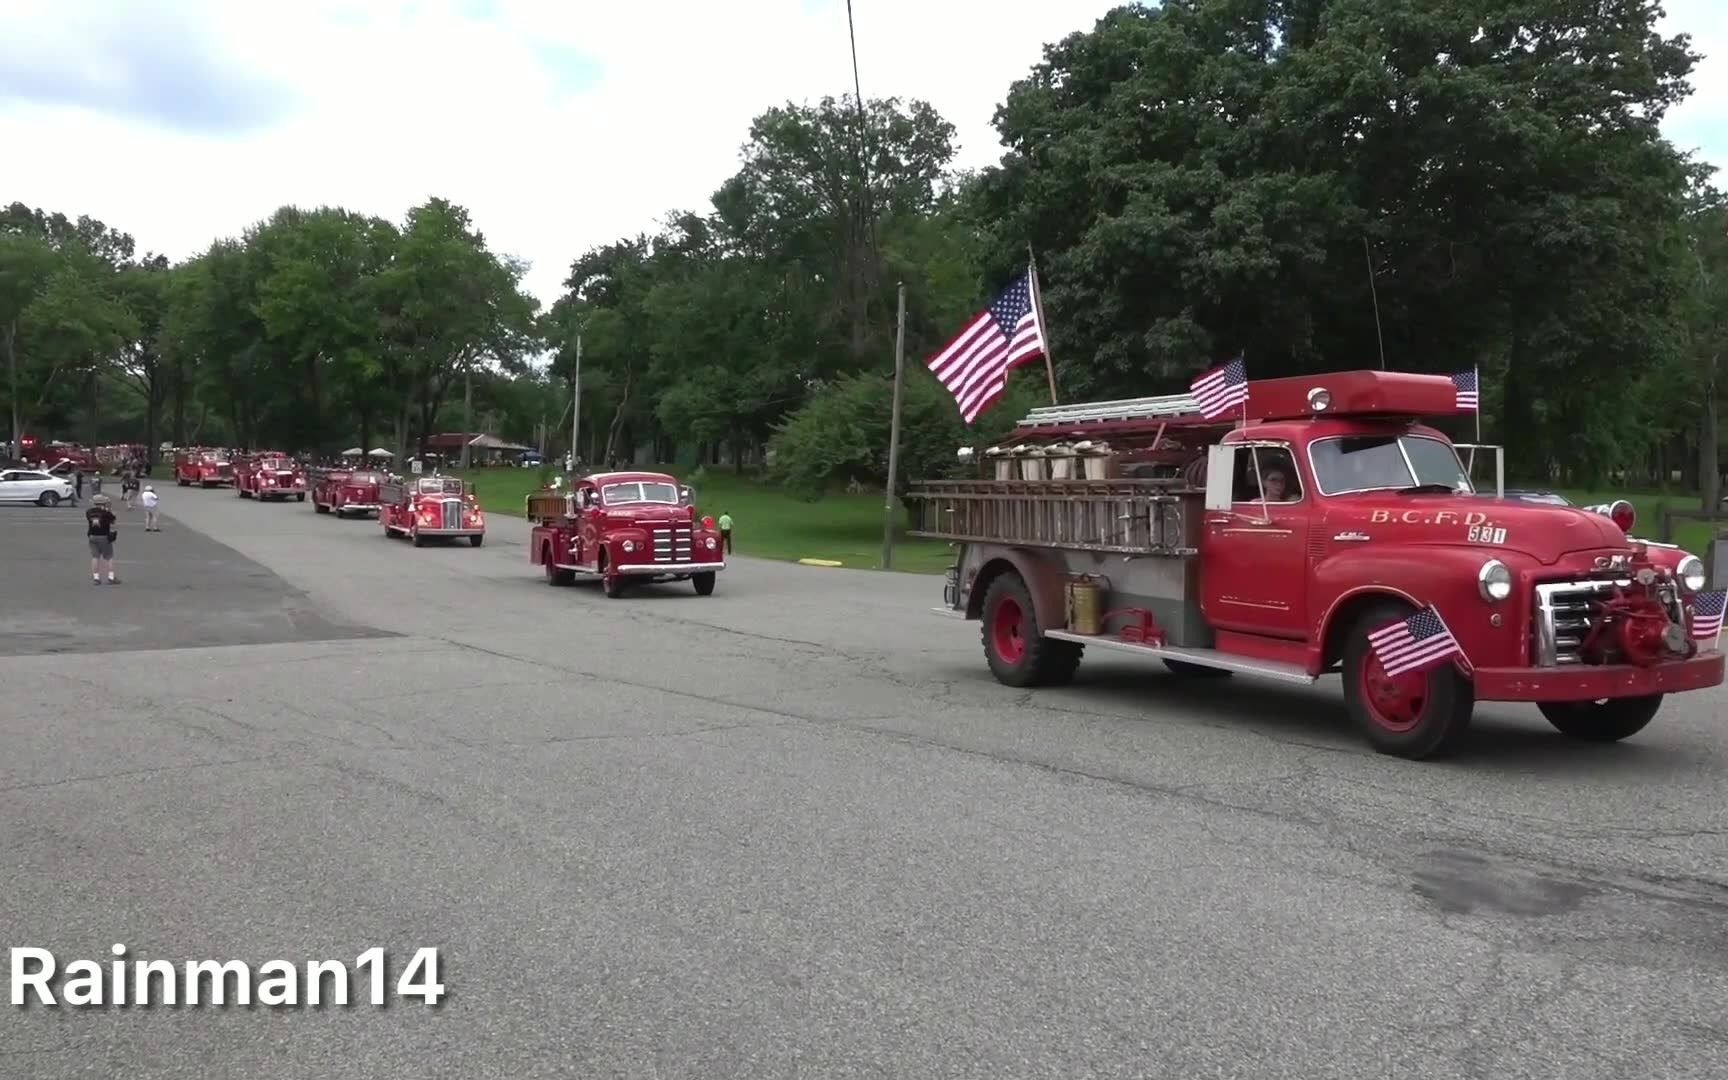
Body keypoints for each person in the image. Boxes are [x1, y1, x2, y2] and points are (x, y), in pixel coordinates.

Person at [85, 494, 119, 585]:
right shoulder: (106, 513)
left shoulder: (89, 512)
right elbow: (113, 520)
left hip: (92, 536)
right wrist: (109, 509)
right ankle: (111, 577)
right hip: (104, 536)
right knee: (109, 557)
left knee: (95, 557)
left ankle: (96, 578)